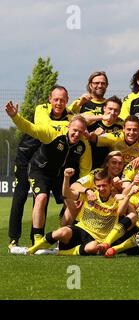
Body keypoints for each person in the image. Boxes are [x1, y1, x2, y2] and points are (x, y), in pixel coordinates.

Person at [5, 101, 92, 245]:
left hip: (60, 177)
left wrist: (82, 190)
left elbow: (85, 172)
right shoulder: (53, 133)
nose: (77, 134)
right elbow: (30, 128)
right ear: (68, 126)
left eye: (81, 132)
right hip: (40, 171)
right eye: (74, 130)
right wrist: (15, 116)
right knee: (42, 197)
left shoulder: (84, 145)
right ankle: (38, 239)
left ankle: (61, 238)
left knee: (73, 203)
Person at [8, 86, 72, 249]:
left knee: (41, 198)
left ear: (67, 101)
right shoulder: (41, 109)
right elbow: (42, 127)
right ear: (49, 99)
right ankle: (13, 239)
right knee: (20, 197)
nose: (59, 103)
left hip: (46, 163)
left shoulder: (70, 114)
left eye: (62, 100)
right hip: (26, 157)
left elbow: (80, 120)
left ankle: (36, 240)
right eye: (56, 99)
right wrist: (16, 116)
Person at [26, 168, 120, 256]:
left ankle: (63, 252)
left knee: (92, 247)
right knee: (61, 232)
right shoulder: (90, 195)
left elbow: (125, 211)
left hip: (97, 239)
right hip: (80, 230)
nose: (101, 189)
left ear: (110, 185)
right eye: (99, 186)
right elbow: (66, 194)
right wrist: (66, 178)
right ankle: (33, 249)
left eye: (104, 185)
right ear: (95, 186)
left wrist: (126, 196)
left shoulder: (117, 199)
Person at [82, 96, 124, 169]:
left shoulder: (121, 124)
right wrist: (102, 117)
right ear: (104, 108)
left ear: (120, 112)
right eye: (110, 109)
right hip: (88, 158)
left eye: (116, 110)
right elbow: (77, 118)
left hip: (109, 163)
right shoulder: (95, 117)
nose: (112, 113)